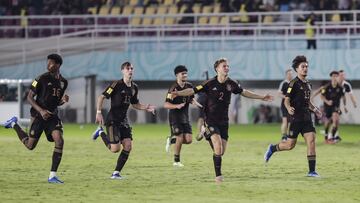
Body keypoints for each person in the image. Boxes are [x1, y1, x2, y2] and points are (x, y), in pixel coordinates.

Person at [171, 58, 273, 183]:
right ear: (217, 69)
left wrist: (262, 97)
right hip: (211, 120)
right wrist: (179, 93)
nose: (227, 68)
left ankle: (204, 131)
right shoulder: (209, 83)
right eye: (224, 66)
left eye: (228, 66)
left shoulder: (231, 83)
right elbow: (192, 90)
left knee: (221, 151)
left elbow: (244, 92)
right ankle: (218, 176)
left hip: (224, 122)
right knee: (218, 147)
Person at [1, 54, 69, 184]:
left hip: (52, 116)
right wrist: (41, 111)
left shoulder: (63, 82)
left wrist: (62, 101)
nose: (48, 65)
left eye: (51, 63)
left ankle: (52, 176)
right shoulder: (40, 78)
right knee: (30, 146)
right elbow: (29, 97)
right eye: (48, 63)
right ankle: (14, 124)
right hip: (38, 116)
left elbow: (56, 102)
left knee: (59, 140)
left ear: (58, 65)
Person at [91, 61, 156, 180]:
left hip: (123, 121)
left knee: (128, 146)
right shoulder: (116, 85)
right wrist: (99, 112)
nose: (130, 70)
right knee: (115, 149)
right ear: (122, 71)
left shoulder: (134, 88)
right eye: (127, 68)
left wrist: (145, 107)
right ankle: (100, 132)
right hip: (112, 120)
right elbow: (101, 97)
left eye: (131, 68)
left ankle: (116, 173)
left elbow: (135, 104)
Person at [264, 55, 322, 178]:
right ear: (297, 69)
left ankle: (312, 171)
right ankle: (272, 149)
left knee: (311, 141)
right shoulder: (293, 83)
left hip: (307, 118)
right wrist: (289, 107)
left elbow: (308, 102)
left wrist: (315, 109)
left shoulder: (308, 84)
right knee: (290, 145)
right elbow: (286, 100)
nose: (305, 69)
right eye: (303, 67)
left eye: (306, 66)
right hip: (296, 119)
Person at [164, 65, 202, 167]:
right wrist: (176, 106)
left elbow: (191, 98)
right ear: (177, 75)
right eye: (183, 73)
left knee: (189, 140)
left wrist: (196, 103)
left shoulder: (189, 86)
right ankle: (176, 161)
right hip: (175, 117)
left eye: (186, 73)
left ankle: (171, 139)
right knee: (180, 138)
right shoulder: (173, 88)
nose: (185, 75)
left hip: (185, 117)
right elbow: (166, 104)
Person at [319, 71, 346, 143]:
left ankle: (332, 138)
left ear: (338, 77)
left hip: (336, 107)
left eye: (336, 76)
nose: (334, 77)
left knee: (335, 122)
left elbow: (343, 97)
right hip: (327, 107)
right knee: (327, 122)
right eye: (333, 76)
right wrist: (327, 101)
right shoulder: (326, 87)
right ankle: (326, 136)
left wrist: (345, 106)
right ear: (331, 77)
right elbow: (321, 96)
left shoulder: (340, 88)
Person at [278, 69, 293, 141]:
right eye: (289, 74)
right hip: (284, 104)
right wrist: (286, 97)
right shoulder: (283, 83)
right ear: (286, 75)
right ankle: (284, 136)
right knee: (285, 120)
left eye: (291, 74)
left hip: (291, 105)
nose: (290, 75)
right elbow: (279, 94)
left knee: (291, 121)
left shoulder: (293, 84)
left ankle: (288, 135)